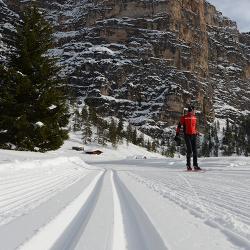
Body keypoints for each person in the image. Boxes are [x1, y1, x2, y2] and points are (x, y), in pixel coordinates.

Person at [175, 105, 202, 171]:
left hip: (193, 135)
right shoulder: (185, 117)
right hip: (187, 135)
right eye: (194, 110)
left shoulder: (193, 117)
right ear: (192, 110)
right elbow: (179, 125)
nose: (194, 111)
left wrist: (197, 132)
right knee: (191, 150)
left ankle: (193, 165)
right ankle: (190, 165)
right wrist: (177, 134)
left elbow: (194, 127)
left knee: (193, 150)